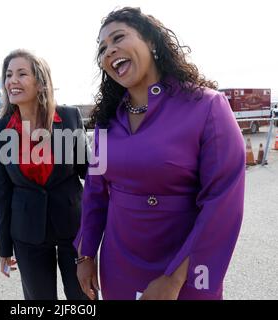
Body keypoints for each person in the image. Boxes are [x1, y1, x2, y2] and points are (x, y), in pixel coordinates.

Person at [74, 7, 245, 300]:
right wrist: (86, 254)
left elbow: (222, 203)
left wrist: (175, 277)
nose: (109, 51)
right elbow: (95, 193)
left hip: (184, 269)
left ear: (152, 42)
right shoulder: (106, 122)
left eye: (118, 38)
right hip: (119, 268)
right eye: (102, 49)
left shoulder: (207, 107)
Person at [0, 49, 89, 300]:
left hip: (73, 227)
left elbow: (90, 172)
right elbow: (2, 190)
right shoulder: (1, 129)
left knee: (82, 296)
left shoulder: (68, 117)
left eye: (22, 74)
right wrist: (4, 248)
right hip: (27, 233)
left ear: (40, 81)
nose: (13, 80)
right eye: (9, 74)